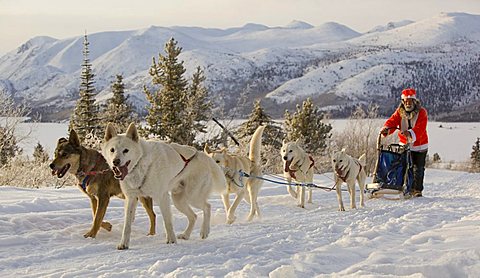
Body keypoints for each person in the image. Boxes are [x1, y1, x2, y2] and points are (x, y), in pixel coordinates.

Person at [380, 88, 428, 197]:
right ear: (403, 102)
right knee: (403, 166)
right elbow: (392, 121)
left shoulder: (422, 112)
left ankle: (417, 190)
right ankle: (403, 186)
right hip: (404, 145)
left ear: (414, 101)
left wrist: (410, 133)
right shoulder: (399, 112)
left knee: (418, 168)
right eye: (406, 101)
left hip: (419, 145)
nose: (408, 103)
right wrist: (387, 129)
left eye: (410, 101)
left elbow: (420, 128)